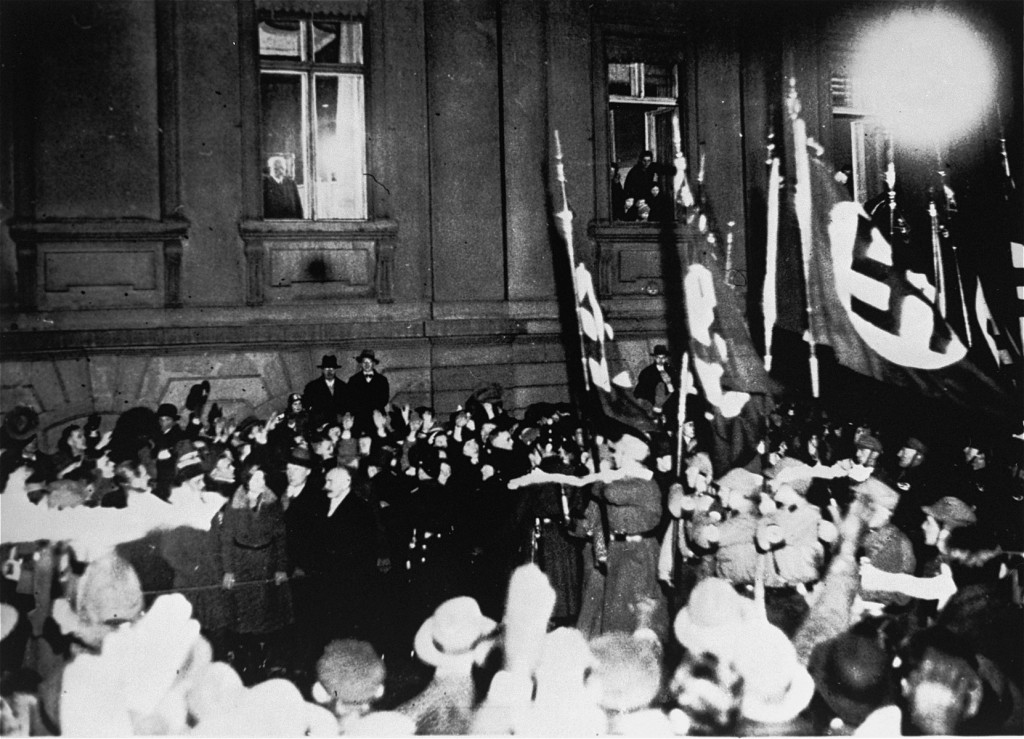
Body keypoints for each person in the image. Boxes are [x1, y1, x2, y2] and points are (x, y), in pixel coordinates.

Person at [220, 461, 293, 684]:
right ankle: (244, 658)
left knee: (264, 612)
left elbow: (281, 538)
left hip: (266, 563)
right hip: (242, 564)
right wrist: (228, 570)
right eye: (256, 479)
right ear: (247, 481)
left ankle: (264, 659)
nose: (261, 482)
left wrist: (280, 567)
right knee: (243, 611)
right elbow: (226, 540)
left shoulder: (272, 503)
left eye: (263, 478)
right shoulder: (234, 504)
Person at [347, 349, 390, 436]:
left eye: (369, 362)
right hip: (359, 416)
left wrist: (374, 409)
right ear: (361, 363)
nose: (366, 365)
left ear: (373, 363)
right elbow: (350, 399)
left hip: (376, 415)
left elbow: (384, 398)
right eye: (364, 362)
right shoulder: (353, 380)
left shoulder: (382, 380)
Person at [634, 344, 678, 426]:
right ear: (654, 357)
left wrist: (669, 383)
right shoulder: (647, 372)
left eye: (663, 358)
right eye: (658, 357)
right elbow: (640, 392)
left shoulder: (672, 371)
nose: (661, 360)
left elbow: (676, 389)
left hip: (669, 408)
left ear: (666, 358)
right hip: (652, 408)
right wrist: (650, 406)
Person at [302, 355, 349, 430]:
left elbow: (347, 407)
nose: (329, 371)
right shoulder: (312, 387)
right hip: (320, 427)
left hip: (339, 426)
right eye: (326, 369)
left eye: (331, 369)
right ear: (322, 370)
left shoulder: (344, 387)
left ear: (335, 370)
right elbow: (306, 406)